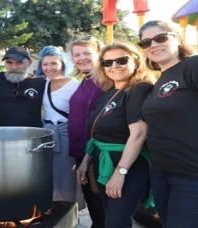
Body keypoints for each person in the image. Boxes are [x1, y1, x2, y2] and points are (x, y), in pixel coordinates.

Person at [77, 40, 155, 228]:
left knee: (117, 222)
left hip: (129, 166)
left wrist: (120, 173)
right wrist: (86, 160)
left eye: (121, 60)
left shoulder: (139, 89)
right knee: (108, 216)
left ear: (136, 62)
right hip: (103, 162)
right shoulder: (108, 92)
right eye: (107, 62)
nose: (114, 66)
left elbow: (138, 135)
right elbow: (98, 131)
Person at [138, 20, 198, 228]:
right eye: (145, 42)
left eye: (160, 37)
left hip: (191, 176)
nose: (153, 45)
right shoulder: (160, 80)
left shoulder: (192, 65)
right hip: (161, 172)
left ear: (178, 39)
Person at [36, 46, 84, 209]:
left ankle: (67, 209)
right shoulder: (44, 83)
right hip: (46, 132)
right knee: (48, 173)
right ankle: (50, 207)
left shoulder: (74, 85)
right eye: (45, 64)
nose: (49, 68)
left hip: (65, 133)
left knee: (65, 174)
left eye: (53, 63)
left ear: (63, 63)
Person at [67, 35, 106, 228]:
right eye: (76, 54)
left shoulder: (105, 81)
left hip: (95, 154)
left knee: (101, 204)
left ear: (99, 53)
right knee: (92, 202)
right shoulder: (86, 79)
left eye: (87, 53)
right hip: (80, 151)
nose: (81, 58)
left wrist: (88, 156)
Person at [0, 46, 45, 127]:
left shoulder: (40, 83)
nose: (14, 67)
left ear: (29, 63)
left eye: (19, 62)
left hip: (32, 135)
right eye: (9, 62)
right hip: (1, 134)